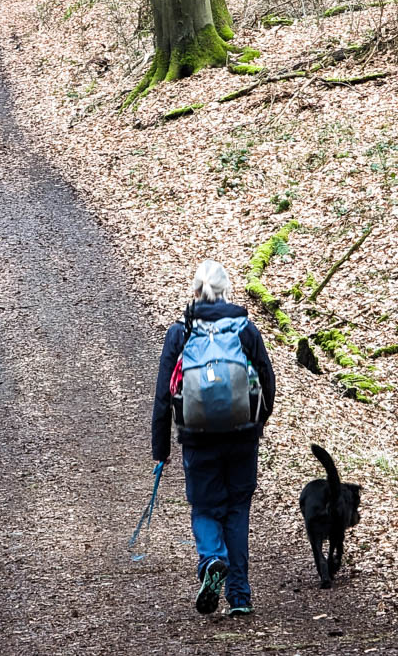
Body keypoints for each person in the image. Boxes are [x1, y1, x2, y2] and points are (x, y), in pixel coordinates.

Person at [151, 260, 276, 616]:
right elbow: (268, 381)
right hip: (242, 435)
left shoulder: (181, 331)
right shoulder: (244, 329)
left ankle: (211, 561)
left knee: (206, 507)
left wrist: (161, 448)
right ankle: (239, 596)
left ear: (195, 291)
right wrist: (257, 422)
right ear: (227, 290)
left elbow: (163, 395)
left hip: (197, 437)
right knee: (237, 510)